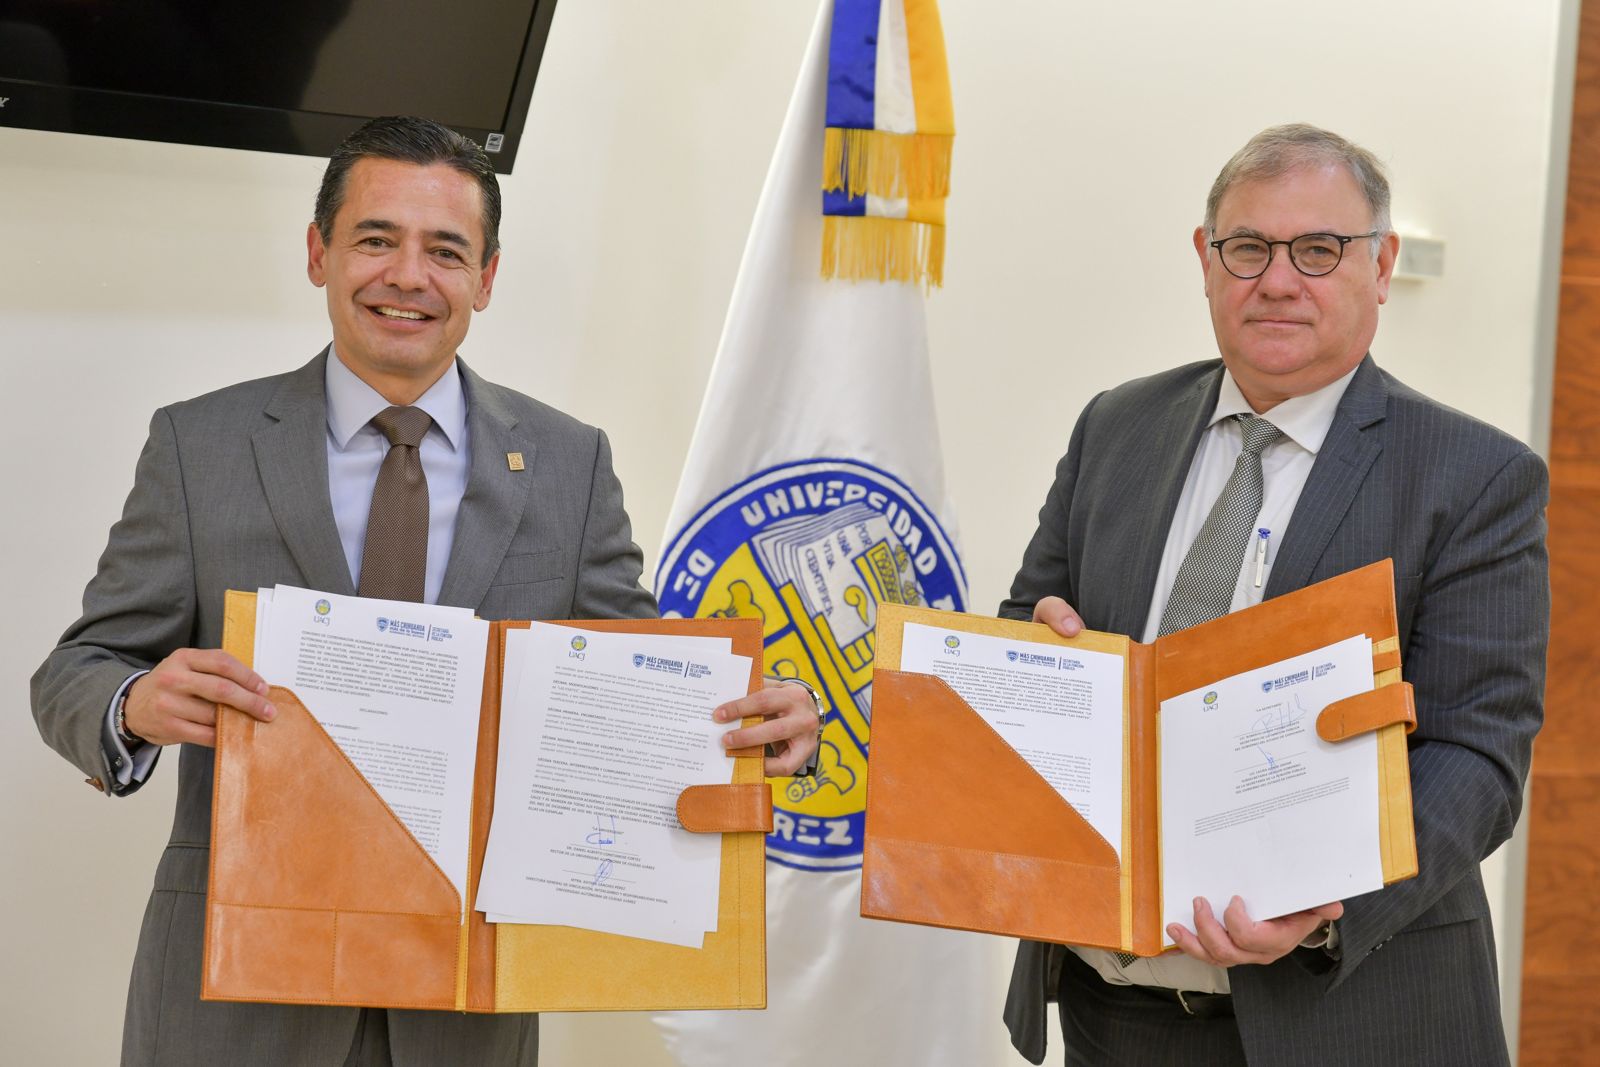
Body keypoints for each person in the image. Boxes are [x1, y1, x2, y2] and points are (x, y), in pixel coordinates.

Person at [30, 115, 821, 1067]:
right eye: (376, 239)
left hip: (465, 1008)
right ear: (318, 253)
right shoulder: (201, 447)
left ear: (486, 278)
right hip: (233, 999)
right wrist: (133, 701)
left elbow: (633, 695)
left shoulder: (570, 466)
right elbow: (76, 669)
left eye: (445, 250)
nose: (408, 276)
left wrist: (753, 728)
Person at [1000, 124, 1548, 1066]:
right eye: (1249, 247)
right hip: (1111, 1008)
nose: (1279, 280)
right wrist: (1039, 657)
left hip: (1349, 1014)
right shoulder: (1117, 425)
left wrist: (1323, 907)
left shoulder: (1473, 475)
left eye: (1319, 249)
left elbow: (1477, 755)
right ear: (1206, 259)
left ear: (1382, 265)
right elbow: (1024, 626)